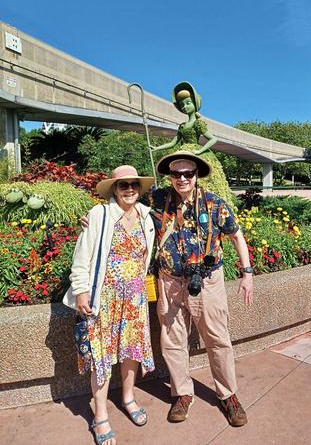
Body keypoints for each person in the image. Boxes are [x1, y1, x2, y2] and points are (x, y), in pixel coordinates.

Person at [150, 150, 253, 427]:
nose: (182, 178)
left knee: (217, 338)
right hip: (170, 281)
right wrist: (97, 216)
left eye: (187, 173)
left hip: (206, 280)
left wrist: (247, 273)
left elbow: (236, 236)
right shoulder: (159, 200)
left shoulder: (214, 204)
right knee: (172, 340)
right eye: (176, 174)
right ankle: (182, 393)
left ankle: (228, 395)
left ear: (196, 175)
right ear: (170, 176)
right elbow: (126, 202)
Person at [63, 165, 155, 445]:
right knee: (100, 356)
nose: (129, 189)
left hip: (136, 298)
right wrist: (81, 291)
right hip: (104, 298)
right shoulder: (99, 215)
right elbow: (82, 257)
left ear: (140, 189)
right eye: (123, 185)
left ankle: (128, 398)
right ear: (114, 189)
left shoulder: (147, 217)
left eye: (134, 185)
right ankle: (100, 415)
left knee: (132, 351)